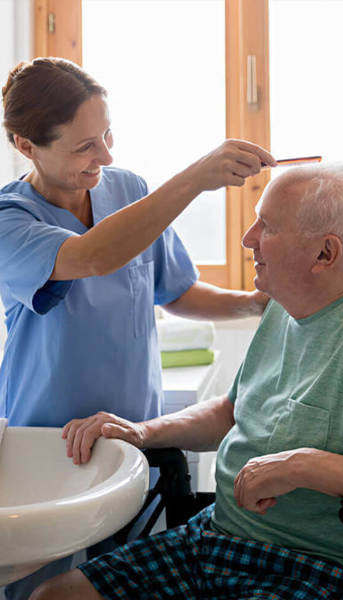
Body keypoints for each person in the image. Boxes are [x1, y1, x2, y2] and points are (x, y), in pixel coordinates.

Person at [29, 162, 343, 600]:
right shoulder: (287, 304)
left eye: (269, 227)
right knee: (54, 595)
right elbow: (230, 412)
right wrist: (143, 432)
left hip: (318, 568)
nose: (248, 238)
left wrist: (306, 466)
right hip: (217, 538)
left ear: (325, 254)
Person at [0, 57, 276, 600]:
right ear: (25, 145)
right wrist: (196, 179)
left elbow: (174, 291)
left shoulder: (127, 191)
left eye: (106, 134)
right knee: (39, 586)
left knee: (122, 578)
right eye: (84, 146)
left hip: (132, 436)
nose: (105, 155)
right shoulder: (9, 221)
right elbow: (91, 257)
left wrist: (254, 304)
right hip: (46, 446)